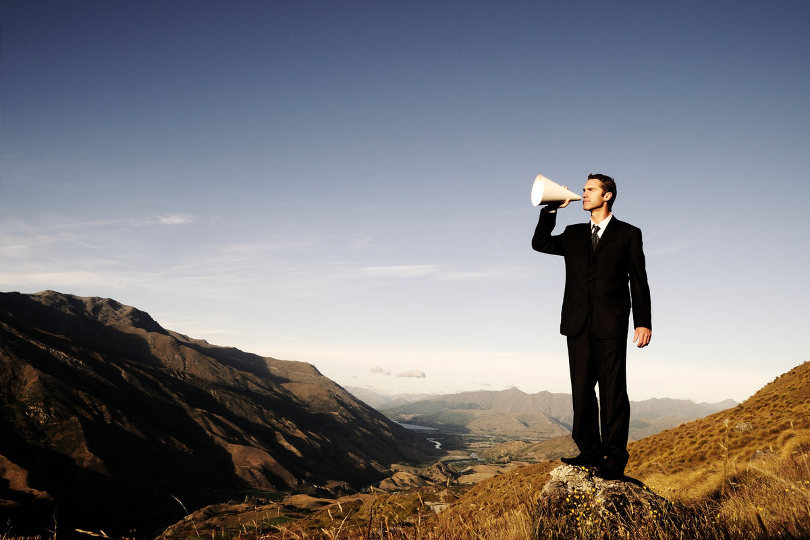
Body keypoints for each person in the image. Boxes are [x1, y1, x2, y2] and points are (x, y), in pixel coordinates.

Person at [532, 173, 651, 480]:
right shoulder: (572, 234)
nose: (583, 194)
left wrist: (643, 322)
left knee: (613, 393)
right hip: (577, 324)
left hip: (611, 324)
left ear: (607, 196)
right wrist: (552, 207)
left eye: (589, 190)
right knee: (582, 392)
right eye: (583, 190)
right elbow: (540, 243)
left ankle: (614, 457)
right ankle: (589, 451)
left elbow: (639, 281)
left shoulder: (628, 234)